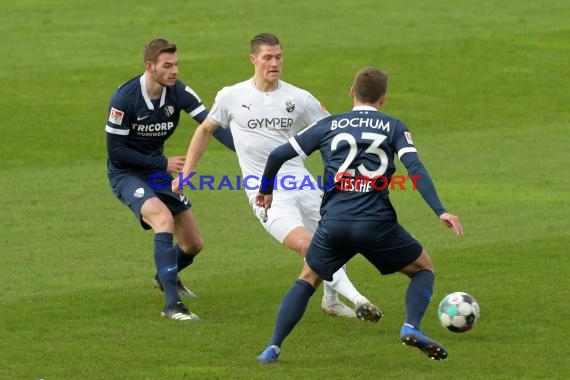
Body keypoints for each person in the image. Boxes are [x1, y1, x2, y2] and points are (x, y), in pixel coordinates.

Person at [255, 67, 464, 363]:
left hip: (334, 223)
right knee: (422, 269)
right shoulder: (393, 126)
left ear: (352, 93)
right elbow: (415, 169)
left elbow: (277, 155)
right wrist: (440, 210)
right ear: (383, 99)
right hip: (376, 223)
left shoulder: (330, 125)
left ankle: (272, 348)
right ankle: (411, 326)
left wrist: (266, 191)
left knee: (308, 277)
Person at [173, 33, 380, 319]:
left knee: (339, 238)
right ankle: (359, 301)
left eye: (279, 57)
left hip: (302, 183)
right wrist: (186, 172)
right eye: (268, 57)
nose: (274, 63)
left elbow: (333, 133)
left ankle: (330, 301)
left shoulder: (299, 98)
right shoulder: (231, 96)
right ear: (253, 59)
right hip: (265, 194)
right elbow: (205, 129)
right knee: (308, 245)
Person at [105, 38, 234, 321]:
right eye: (167, 65)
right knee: (162, 219)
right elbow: (116, 152)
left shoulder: (179, 92)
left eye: (176, 64)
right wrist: (162, 162)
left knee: (193, 244)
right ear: (150, 67)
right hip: (126, 173)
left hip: (157, 172)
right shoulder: (124, 99)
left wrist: (247, 151)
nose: (174, 70)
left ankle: (165, 274)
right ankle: (172, 305)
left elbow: (211, 125)